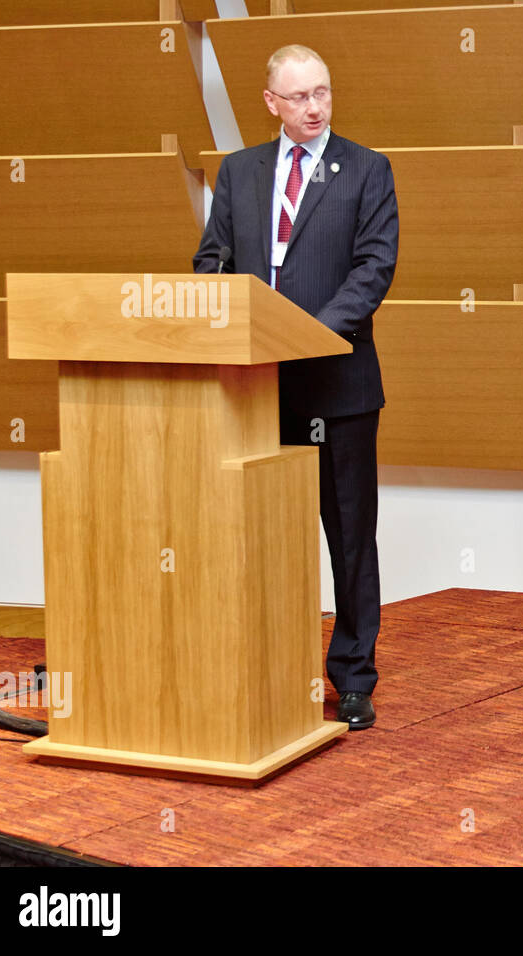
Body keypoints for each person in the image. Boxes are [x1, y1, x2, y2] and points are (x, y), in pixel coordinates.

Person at [193, 44, 398, 730]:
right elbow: (211, 259)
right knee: (265, 534)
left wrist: (304, 334)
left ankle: (354, 677)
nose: (315, 107)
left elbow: (374, 269)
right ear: (271, 103)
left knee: (348, 538)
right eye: (300, 97)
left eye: (323, 93)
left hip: (336, 385)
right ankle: (272, 667)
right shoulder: (239, 172)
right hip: (255, 389)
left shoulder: (367, 169)